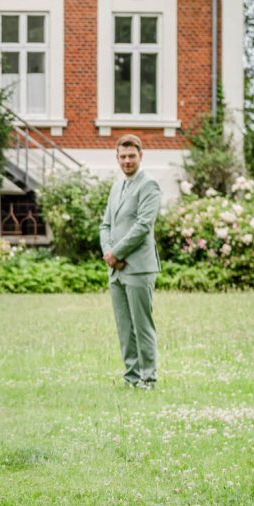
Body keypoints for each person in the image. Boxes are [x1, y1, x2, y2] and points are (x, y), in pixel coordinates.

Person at [99, 134, 162, 389]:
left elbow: (143, 226)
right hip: (115, 270)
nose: (127, 161)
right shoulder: (117, 186)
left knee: (142, 326)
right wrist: (108, 252)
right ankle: (131, 377)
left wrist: (117, 254)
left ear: (140, 156)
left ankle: (148, 378)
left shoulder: (149, 185)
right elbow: (105, 224)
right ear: (117, 158)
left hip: (139, 268)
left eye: (131, 156)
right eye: (123, 156)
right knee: (124, 327)